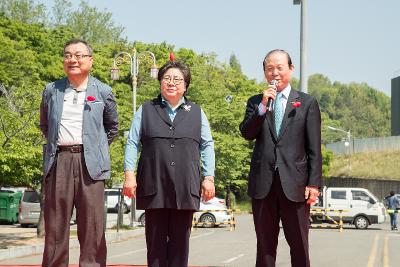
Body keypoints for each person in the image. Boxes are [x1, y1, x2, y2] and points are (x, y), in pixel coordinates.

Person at [123, 59, 215, 267]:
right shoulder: (146, 109)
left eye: (177, 79)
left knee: (180, 246)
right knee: (155, 247)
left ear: (185, 85)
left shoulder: (197, 112)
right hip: (154, 185)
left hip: (185, 186)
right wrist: (129, 174)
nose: (171, 83)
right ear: (160, 83)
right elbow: (132, 142)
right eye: (166, 78)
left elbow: (207, 145)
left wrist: (209, 178)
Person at [39, 38, 119, 267]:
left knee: (92, 225)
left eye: (79, 55)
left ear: (90, 61)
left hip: (90, 165)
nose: (72, 59)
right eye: (67, 55)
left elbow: (112, 127)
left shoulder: (103, 91)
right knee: (55, 225)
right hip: (59, 162)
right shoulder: (51, 90)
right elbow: (45, 125)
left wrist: (95, 148)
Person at [239, 49, 322, 267]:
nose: (274, 73)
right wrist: (263, 106)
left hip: (295, 185)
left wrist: (314, 183)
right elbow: (247, 133)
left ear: (291, 69)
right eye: (269, 68)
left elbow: (314, 148)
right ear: (264, 72)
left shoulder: (306, 103)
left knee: (299, 244)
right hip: (263, 184)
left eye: (279, 68)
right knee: (265, 245)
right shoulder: (256, 101)